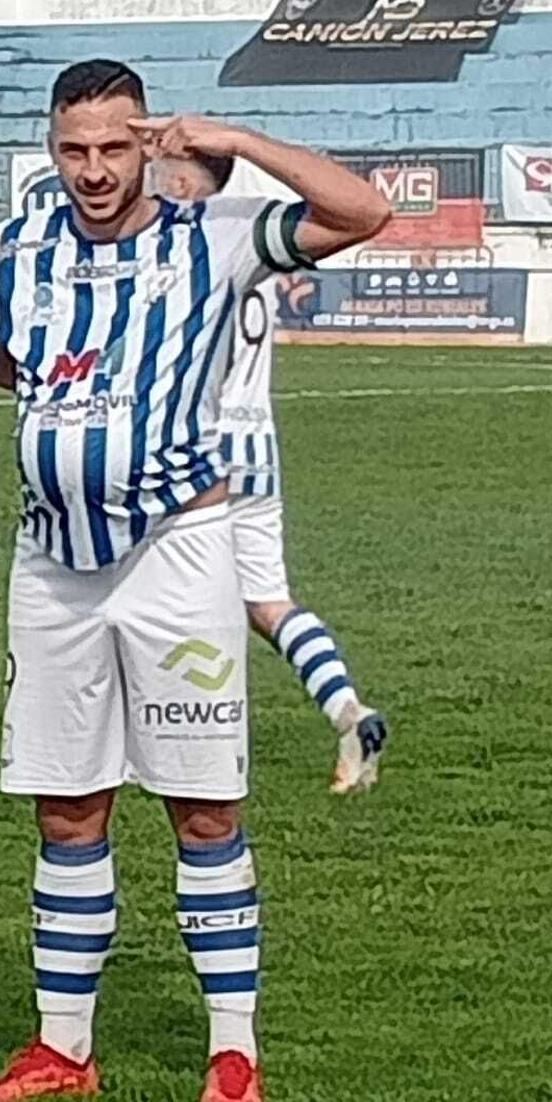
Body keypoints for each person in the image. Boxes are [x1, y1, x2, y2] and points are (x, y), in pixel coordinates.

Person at [0, 60, 389, 1102]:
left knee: (202, 808)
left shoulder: (213, 237)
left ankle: (233, 1053)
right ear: (50, 149)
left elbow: (363, 211)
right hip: (53, 564)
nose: (95, 169)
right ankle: (62, 1047)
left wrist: (235, 141)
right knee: (67, 808)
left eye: (115, 146)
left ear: (146, 143)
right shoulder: (17, 252)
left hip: (178, 554)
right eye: (74, 149)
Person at [153, 150, 388, 794]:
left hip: (198, 445)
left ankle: (186, 736)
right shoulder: (254, 239)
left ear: (182, 181)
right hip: (257, 445)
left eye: (159, 169)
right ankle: (347, 709)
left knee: (163, 595)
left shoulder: (192, 245)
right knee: (267, 601)